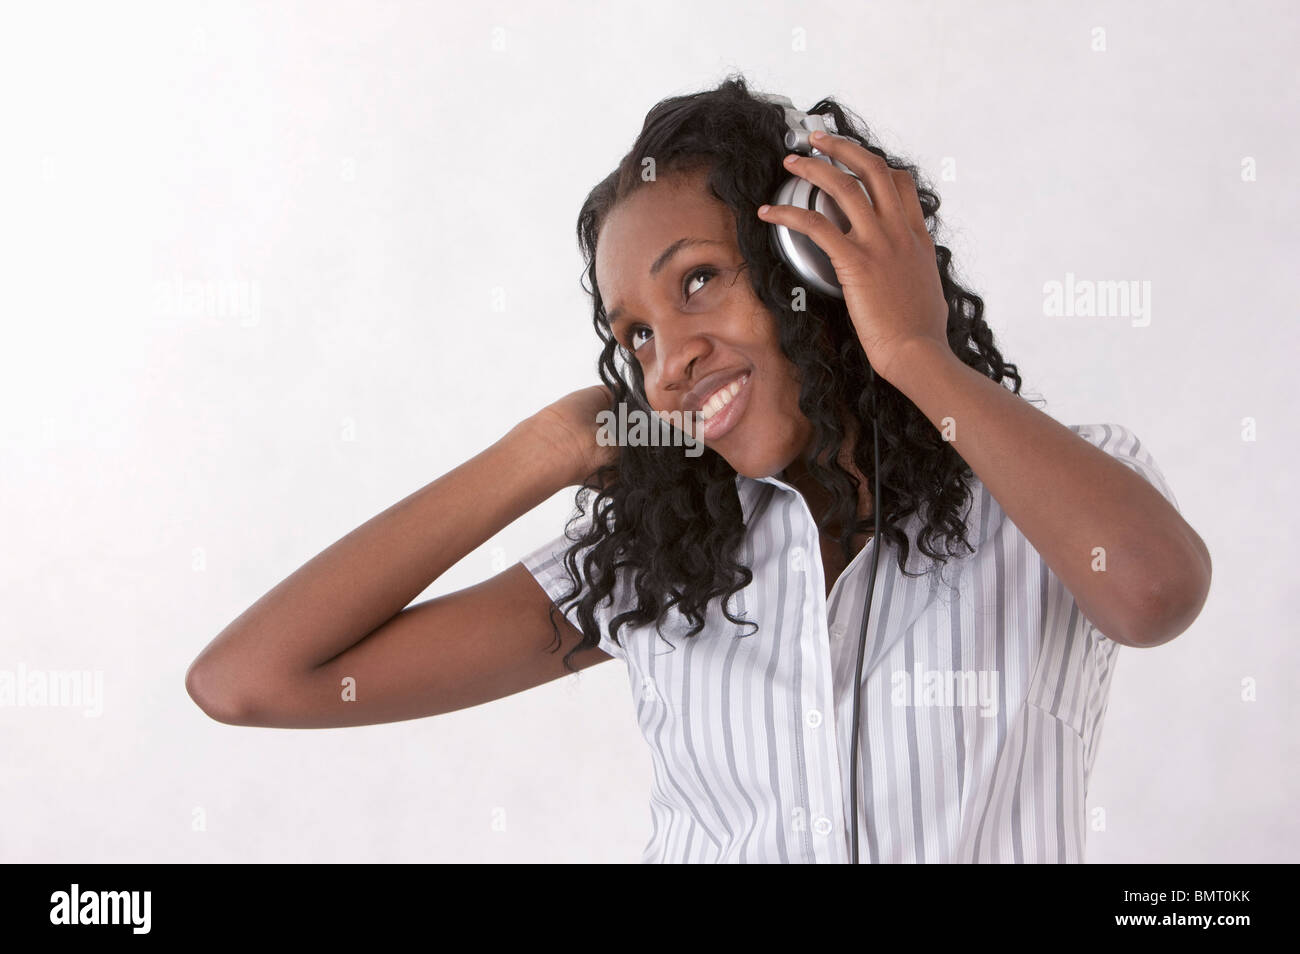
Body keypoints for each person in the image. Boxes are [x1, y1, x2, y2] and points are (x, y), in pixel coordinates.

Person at [185, 75, 1212, 864]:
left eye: (701, 282)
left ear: (811, 265)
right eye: (634, 335)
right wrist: (542, 453)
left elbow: (1153, 592)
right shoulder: (654, 558)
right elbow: (248, 683)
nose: (668, 358)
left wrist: (913, 351)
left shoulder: (1042, 490)